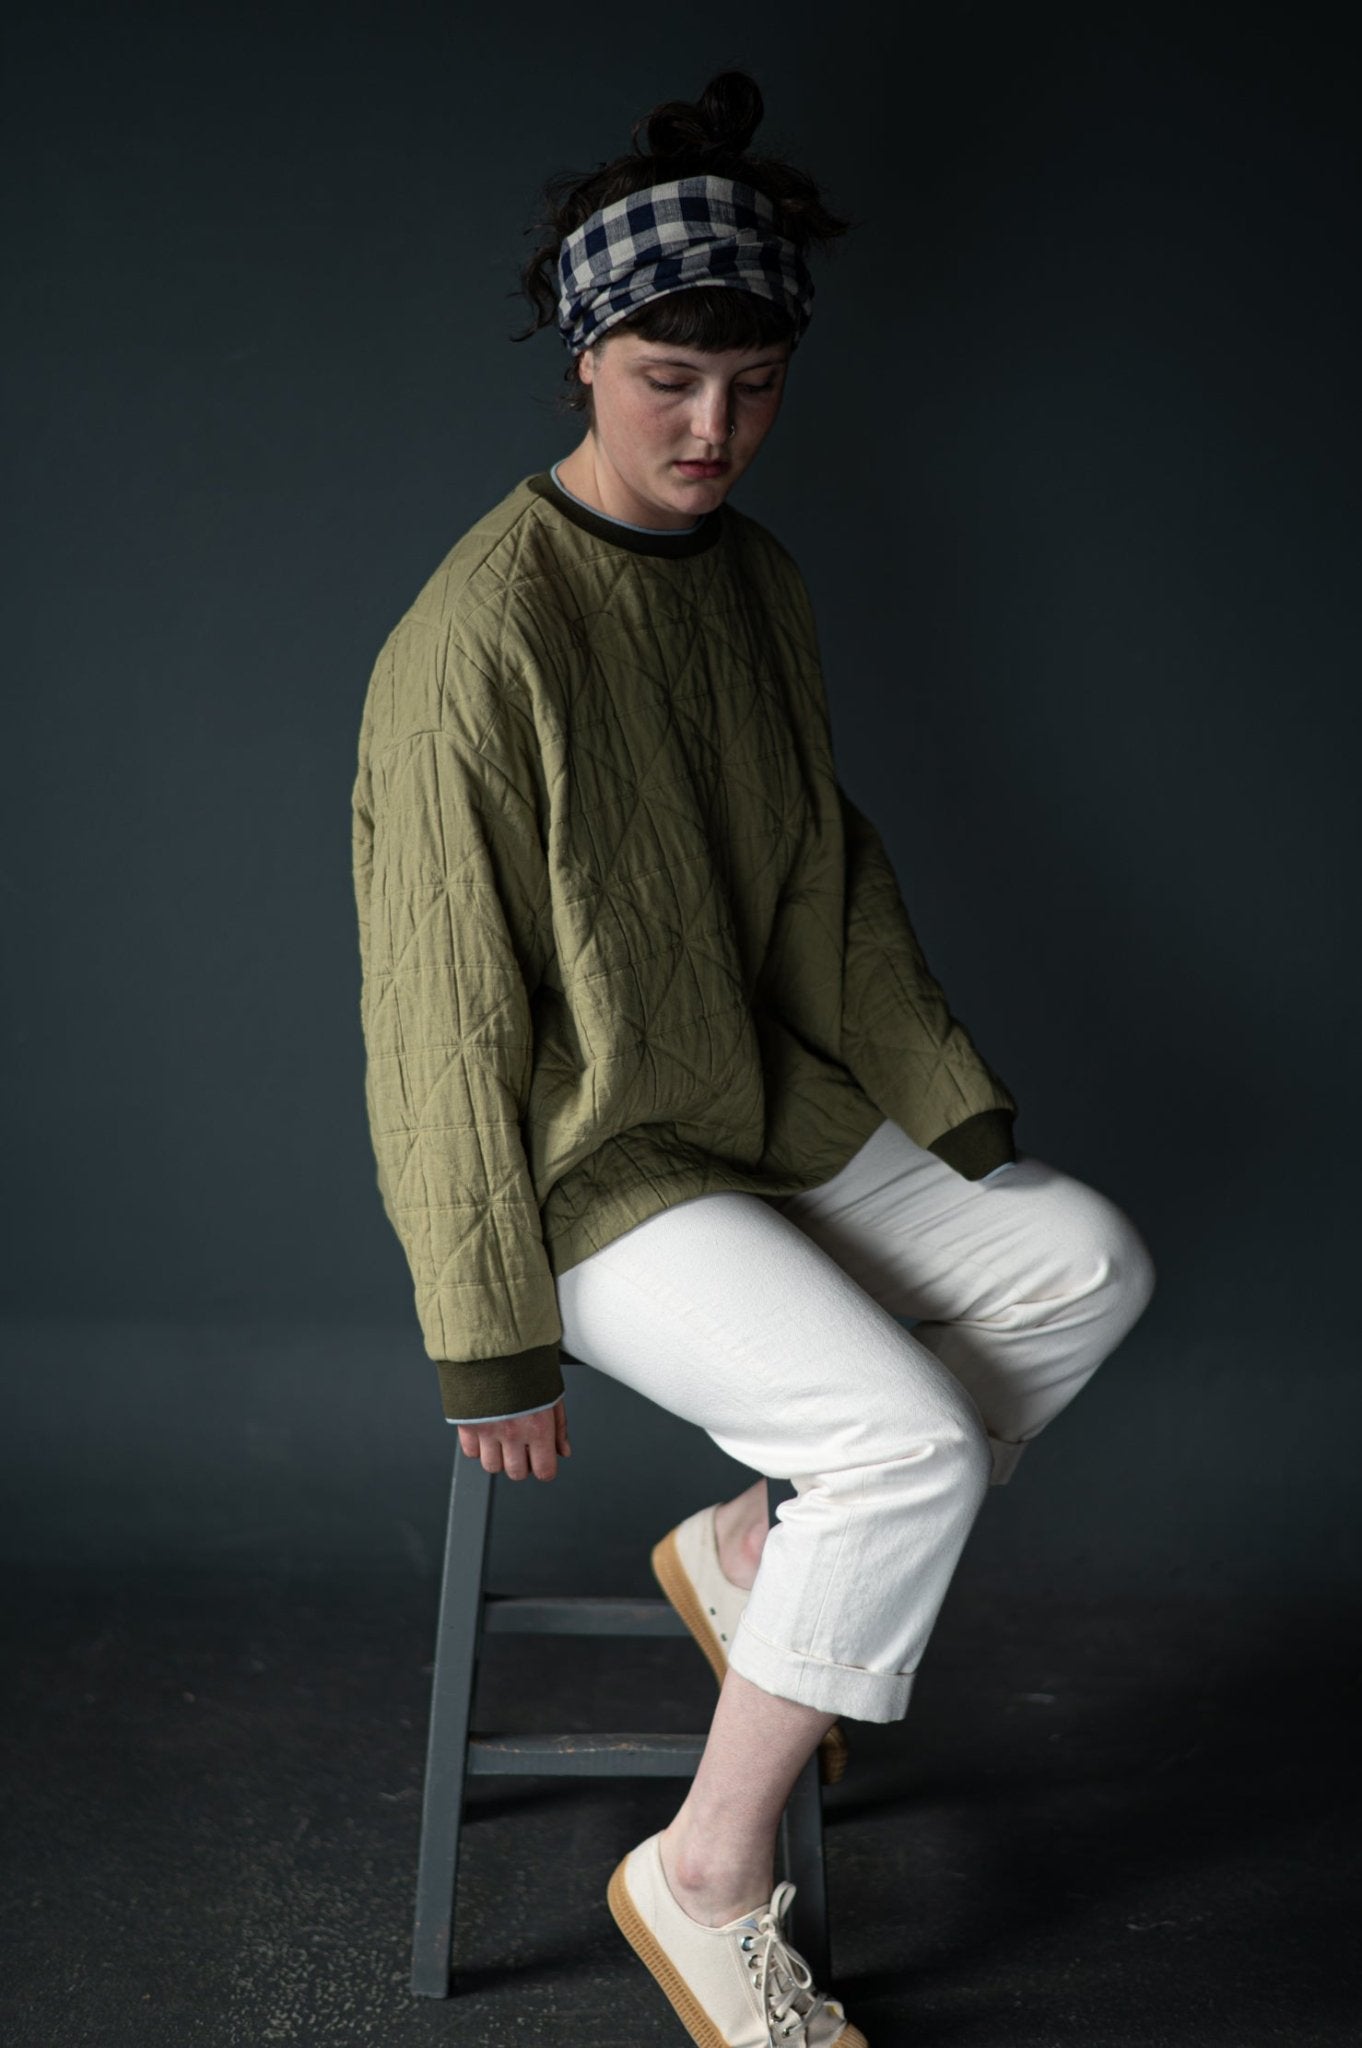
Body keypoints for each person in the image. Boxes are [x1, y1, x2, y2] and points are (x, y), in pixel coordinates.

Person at [351, 68, 1156, 2048]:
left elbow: (823, 870)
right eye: (666, 381)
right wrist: (488, 1329)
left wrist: (940, 1097)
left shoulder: (757, 577)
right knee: (908, 1441)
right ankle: (702, 1876)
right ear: (584, 360)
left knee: (1084, 1262)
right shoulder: (472, 647)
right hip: (590, 1172)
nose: (711, 428)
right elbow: (437, 1015)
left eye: (753, 385)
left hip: (765, 1109)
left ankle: (752, 1552)